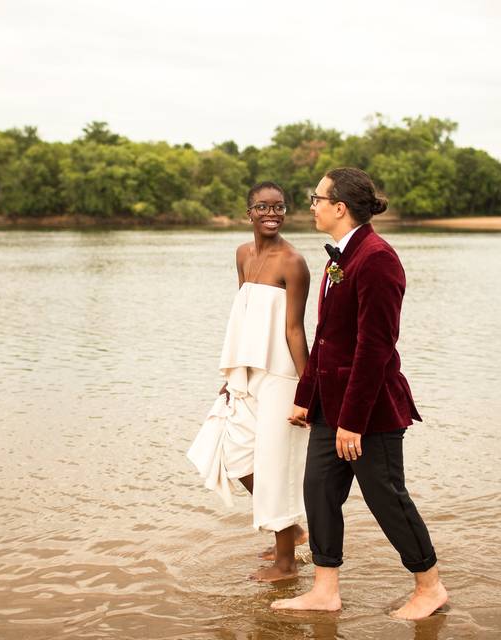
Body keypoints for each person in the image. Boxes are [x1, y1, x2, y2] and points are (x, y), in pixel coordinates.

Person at [271, 167, 448, 619]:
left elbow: (376, 347)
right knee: (318, 490)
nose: (311, 204)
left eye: (317, 197)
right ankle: (325, 591)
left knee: (386, 496)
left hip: (370, 411)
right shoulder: (340, 257)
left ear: (339, 207)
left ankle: (430, 587)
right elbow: (327, 335)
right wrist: (306, 398)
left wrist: (352, 421)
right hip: (332, 404)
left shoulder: (378, 258)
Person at [187, 181, 312, 581]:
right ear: (249, 213)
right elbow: (244, 313)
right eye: (263, 207)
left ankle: (286, 562)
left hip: (281, 376)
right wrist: (232, 374)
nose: (271, 213)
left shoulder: (293, 262)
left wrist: (308, 389)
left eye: (279, 207)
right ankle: (291, 530)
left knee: (275, 465)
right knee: (233, 453)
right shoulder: (242, 255)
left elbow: (295, 330)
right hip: (247, 372)